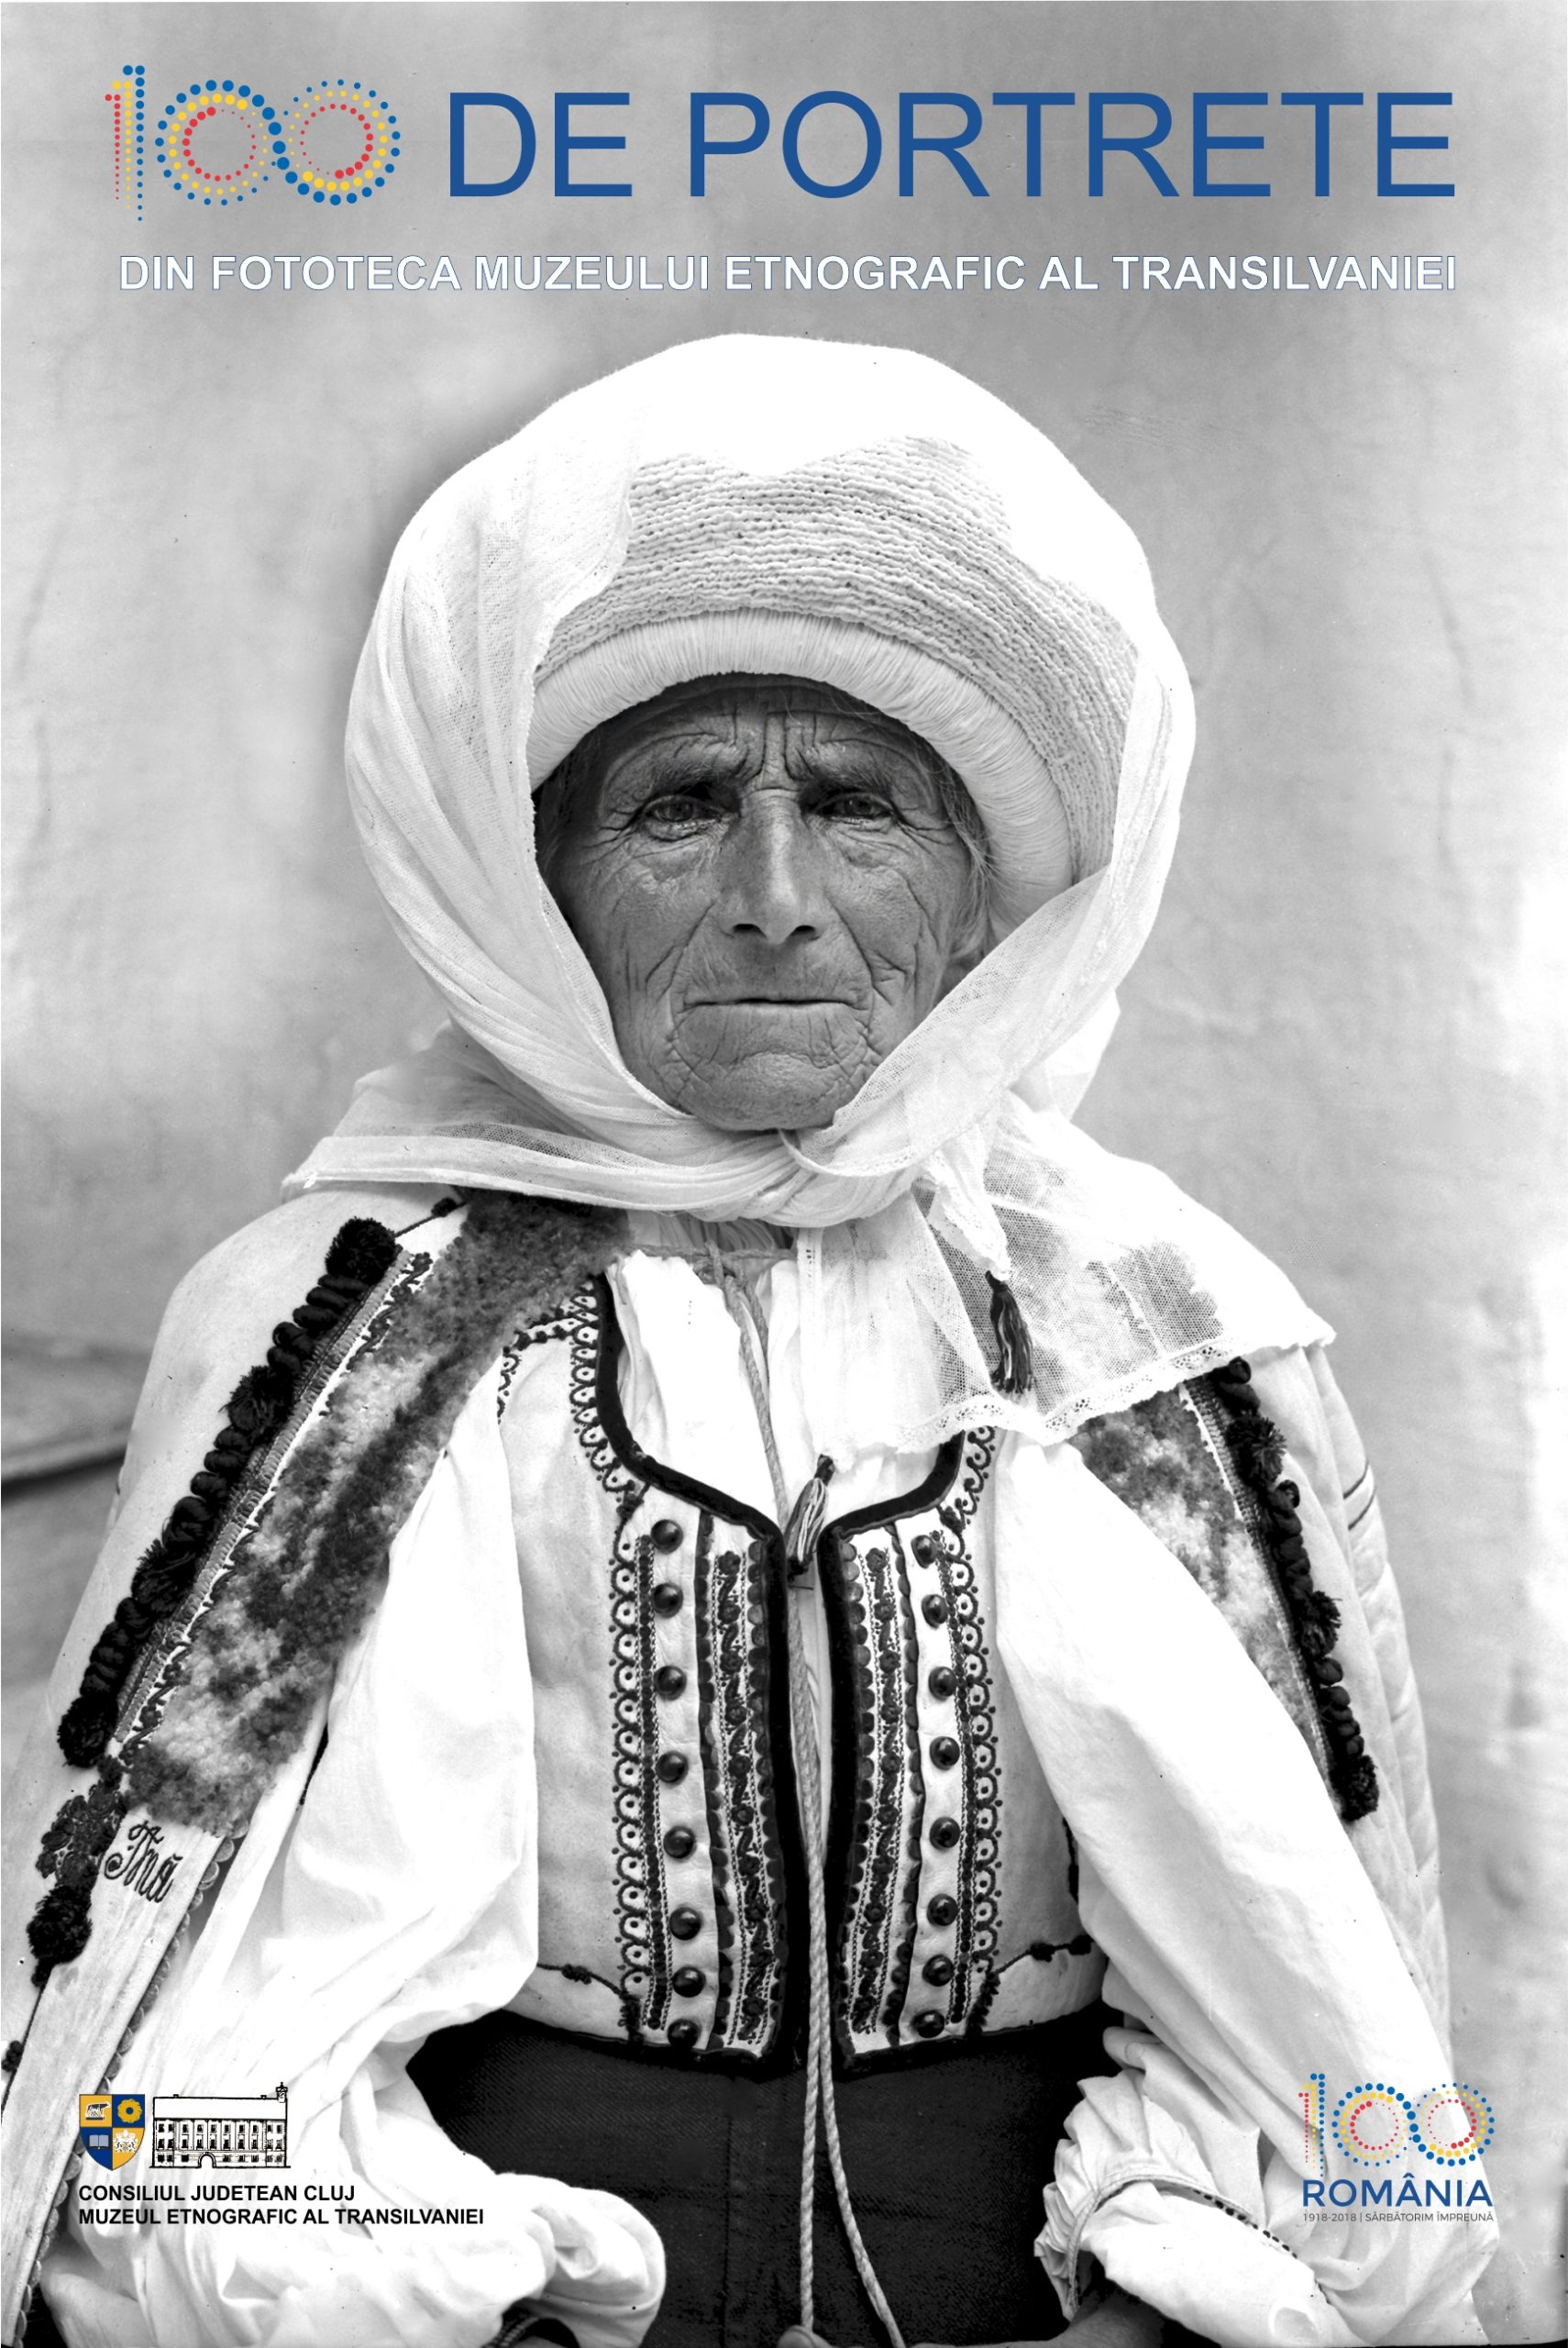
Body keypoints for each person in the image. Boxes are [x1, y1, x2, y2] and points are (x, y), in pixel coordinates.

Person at [0, 338, 1495, 2348]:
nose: (775, 899)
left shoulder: (1159, 1335)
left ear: (983, 893)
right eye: (681, 806)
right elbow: (144, 2064)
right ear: (531, 881)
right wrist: (417, 2310)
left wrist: (1171, 2316)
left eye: (860, 808)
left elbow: (1340, 2021)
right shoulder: (337, 1326)